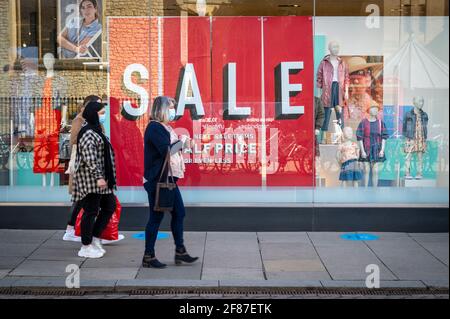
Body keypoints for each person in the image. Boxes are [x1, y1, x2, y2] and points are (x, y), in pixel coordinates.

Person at [142, 96, 198, 268]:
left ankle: (180, 251)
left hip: (168, 180)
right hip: (158, 180)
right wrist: (182, 142)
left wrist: (184, 142)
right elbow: (167, 150)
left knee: (179, 213)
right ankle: (148, 256)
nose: (174, 111)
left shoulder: (165, 127)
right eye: (171, 108)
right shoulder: (154, 128)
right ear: (162, 110)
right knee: (156, 217)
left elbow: (171, 149)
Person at [72, 101, 117, 258]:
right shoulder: (88, 133)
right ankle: (85, 246)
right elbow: (90, 158)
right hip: (92, 181)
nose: (103, 115)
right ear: (93, 113)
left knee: (109, 206)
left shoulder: (97, 131)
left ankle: (95, 237)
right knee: (90, 211)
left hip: (102, 181)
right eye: (101, 112)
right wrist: (99, 177)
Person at [63, 95, 102, 242]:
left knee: (85, 199)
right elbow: (73, 140)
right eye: (98, 106)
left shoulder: (93, 120)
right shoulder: (79, 120)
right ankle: (71, 229)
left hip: (91, 164)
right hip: (82, 164)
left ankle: (83, 231)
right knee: (81, 199)